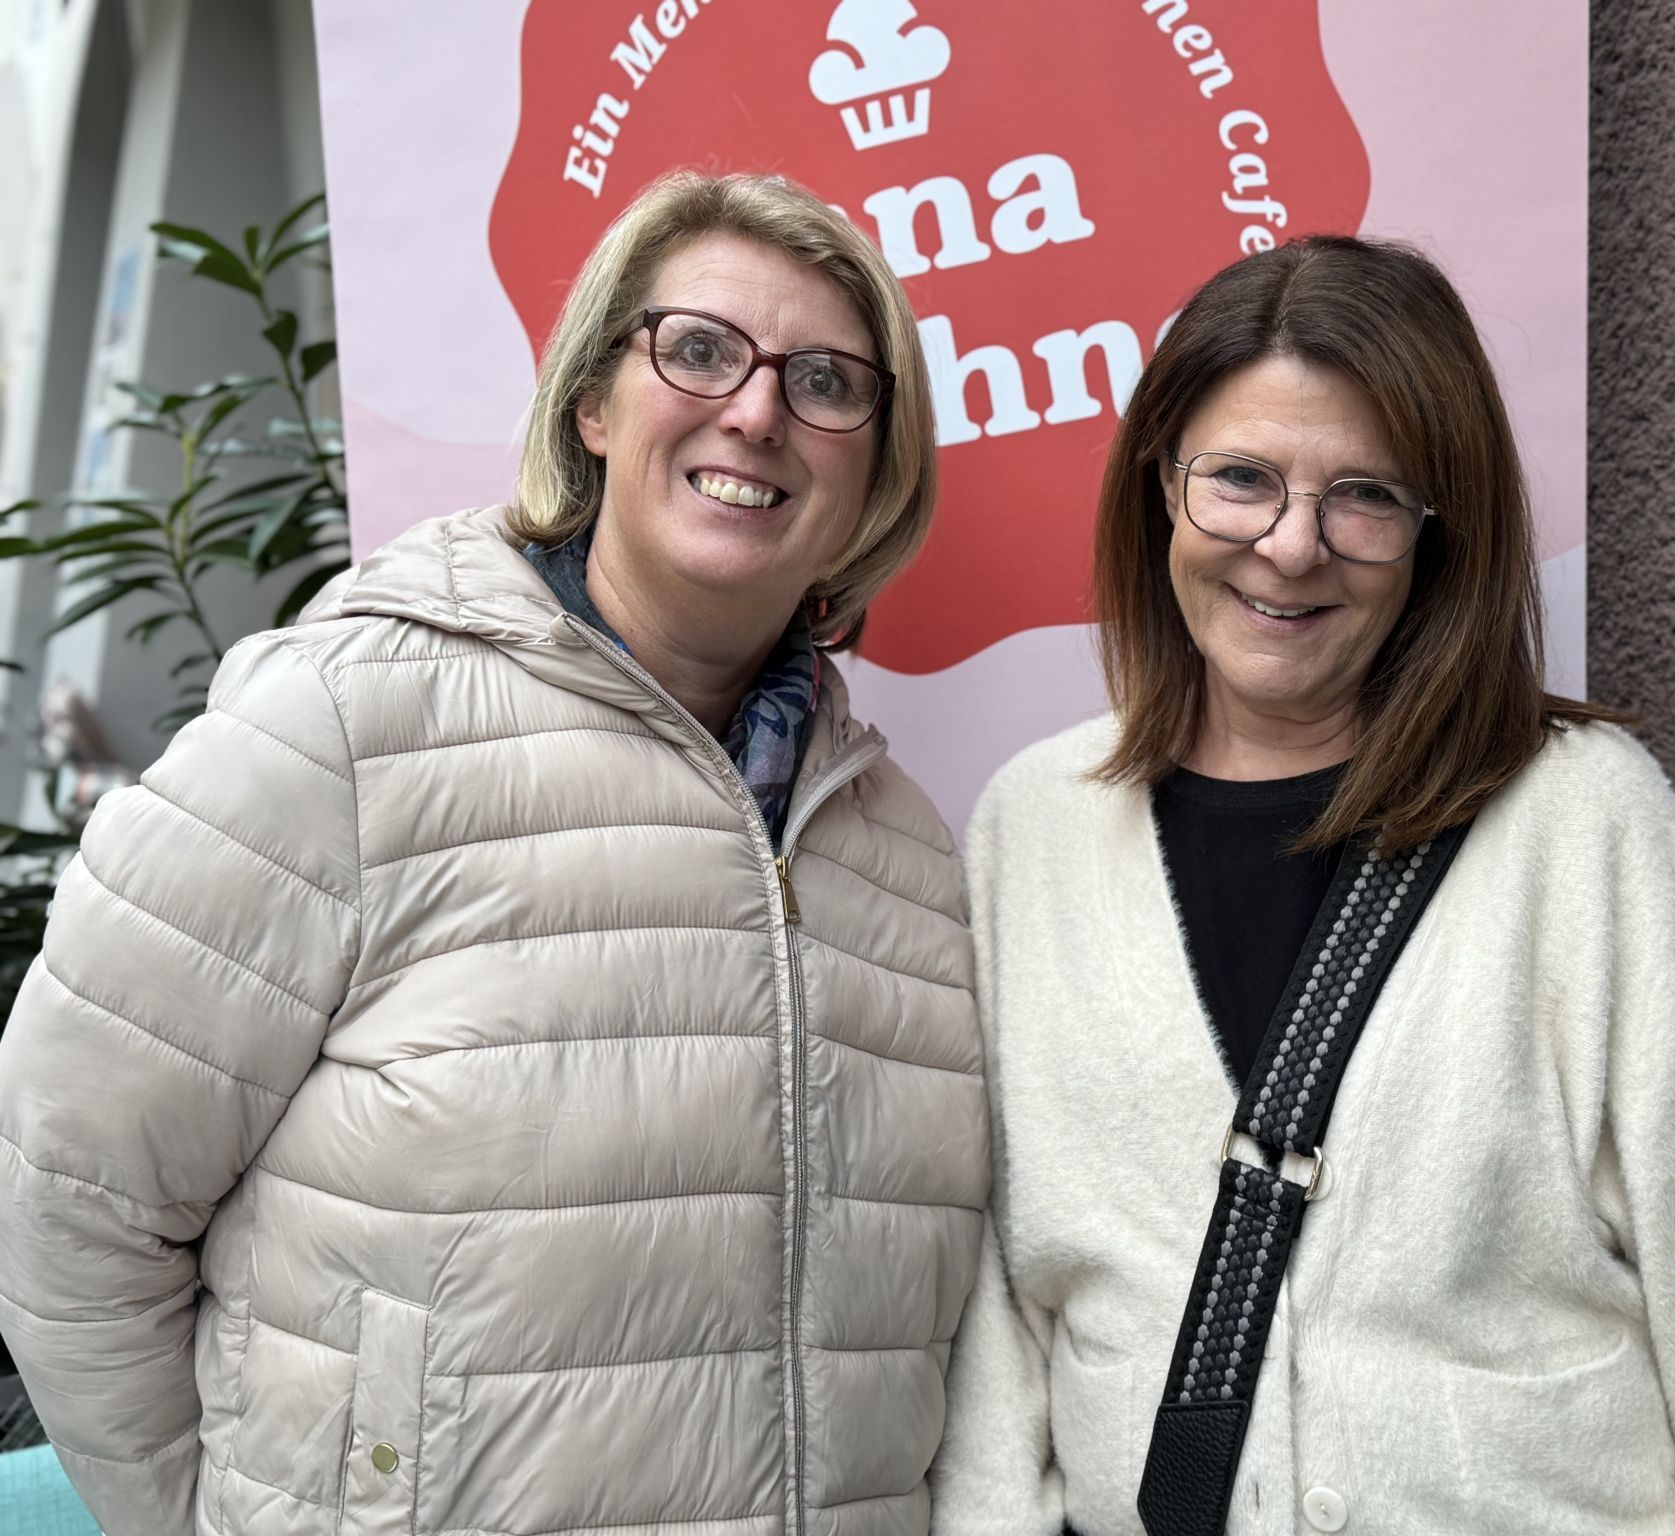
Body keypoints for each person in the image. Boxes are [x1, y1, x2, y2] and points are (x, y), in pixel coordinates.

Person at [0, 172, 989, 1536]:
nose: (758, 412)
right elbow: (63, 1190)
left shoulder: (908, 864)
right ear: (594, 405)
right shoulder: (345, 729)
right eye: (699, 349)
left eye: (827, 382)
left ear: (877, 470)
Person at [930, 236, 1675, 1535]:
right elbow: (998, 1329)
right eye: (1240, 479)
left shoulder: (1583, 817)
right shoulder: (1032, 827)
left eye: (1363, 495)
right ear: (1159, 488)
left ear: (1438, 529)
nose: (1291, 545)